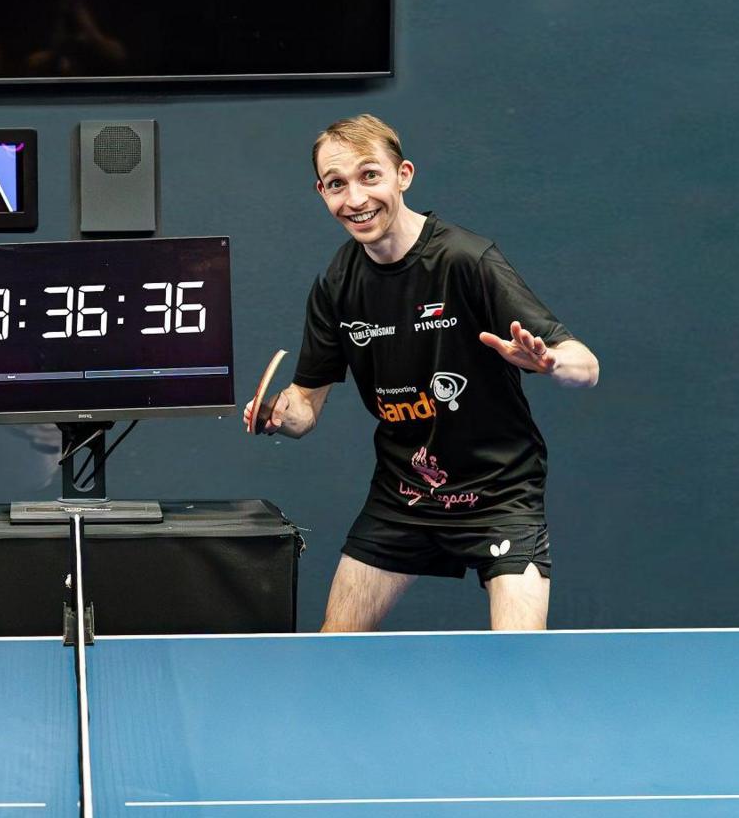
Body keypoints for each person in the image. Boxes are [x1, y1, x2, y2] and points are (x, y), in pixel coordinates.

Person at [246, 114, 597, 632]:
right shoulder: (337, 284)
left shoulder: (466, 260)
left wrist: (548, 362)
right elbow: (305, 408)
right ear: (322, 192)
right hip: (403, 495)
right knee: (332, 653)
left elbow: (585, 366)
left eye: (371, 176)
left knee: (521, 661)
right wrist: (279, 414)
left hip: (498, 493)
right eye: (337, 184)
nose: (356, 198)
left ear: (403, 175)